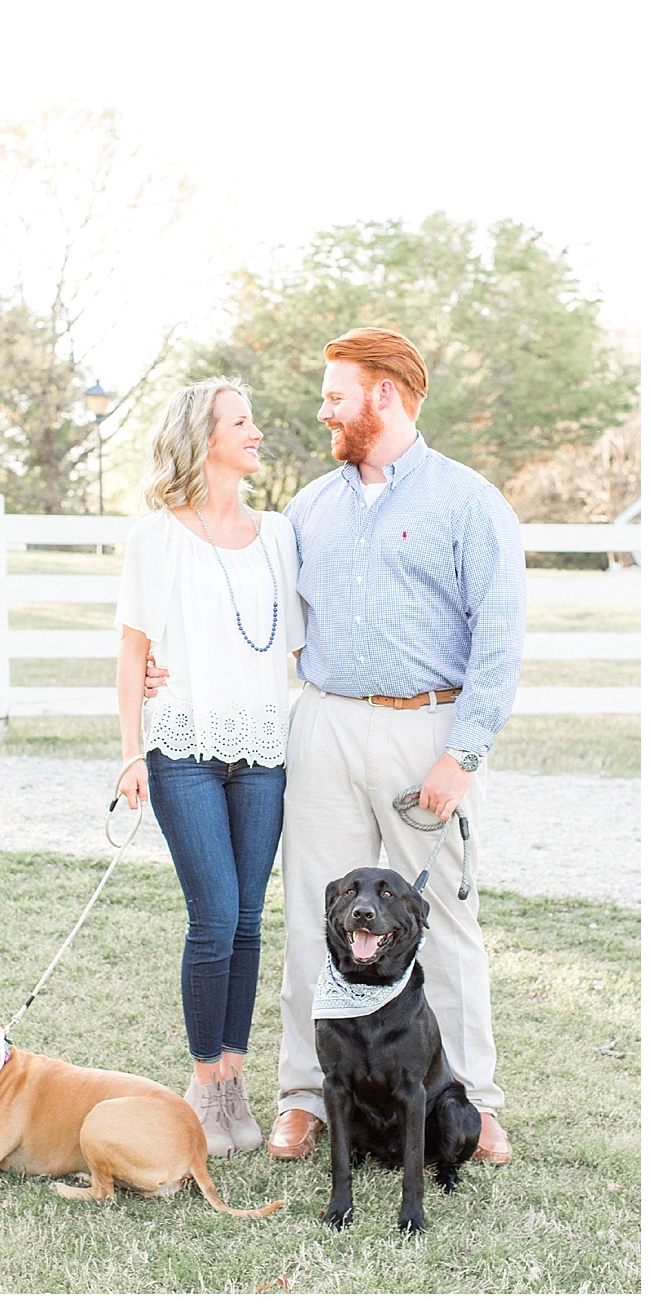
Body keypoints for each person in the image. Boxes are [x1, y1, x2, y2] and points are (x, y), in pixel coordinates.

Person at [146, 328, 525, 1165]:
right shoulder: (307, 511)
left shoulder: (468, 503)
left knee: (442, 917)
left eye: (335, 396)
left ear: (383, 395)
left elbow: (499, 643)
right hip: (321, 725)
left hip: (427, 729)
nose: (323, 411)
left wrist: (463, 755)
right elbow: (249, 613)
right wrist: (161, 664)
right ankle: (306, 1096)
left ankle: (470, 1099)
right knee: (311, 916)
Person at [114, 377, 304, 1157]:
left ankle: (233, 1081)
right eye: (241, 422)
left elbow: (299, 642)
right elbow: (133, 650)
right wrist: (131, 750)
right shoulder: (156, 537)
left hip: (263, 752)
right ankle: (203, 1083)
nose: (256, 432)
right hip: (183, 749)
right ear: (203, 438)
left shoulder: (280, 533)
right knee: (215, 915)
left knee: (250, 919)